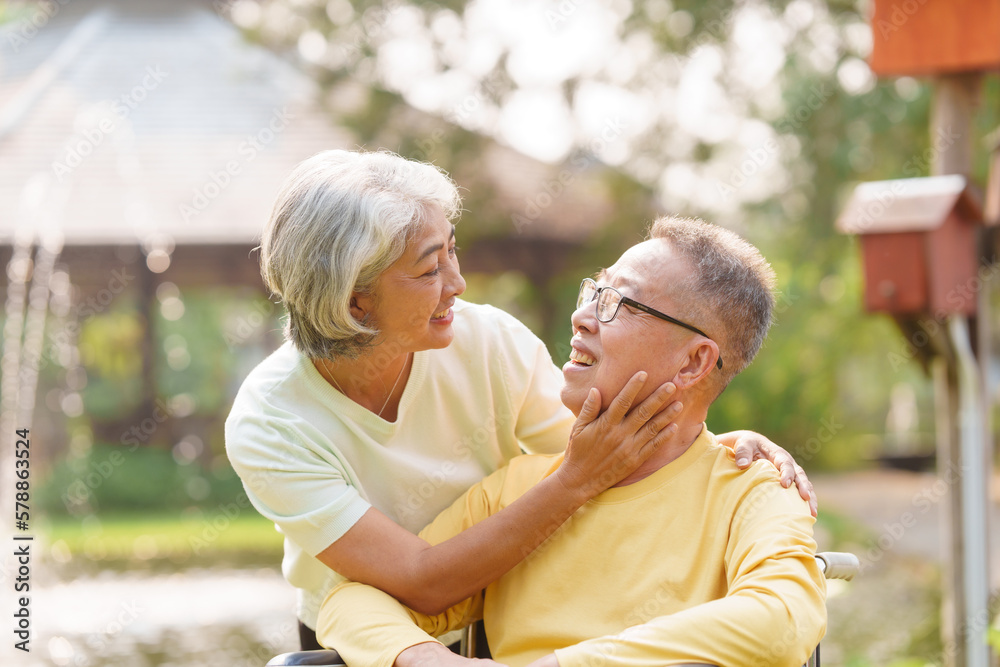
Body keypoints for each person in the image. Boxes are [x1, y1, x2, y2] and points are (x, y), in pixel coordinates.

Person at [225, 150, 817, 651]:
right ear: (358, 304)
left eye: (451, 251)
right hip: (384, 633)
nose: (457, 282)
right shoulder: (271, 421)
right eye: (430, 269)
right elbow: (410, 582)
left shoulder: (486, 343)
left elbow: (613, 454)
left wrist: (717, 447)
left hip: (483, 596)